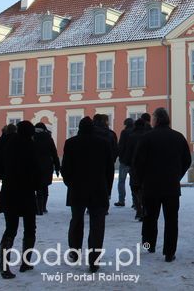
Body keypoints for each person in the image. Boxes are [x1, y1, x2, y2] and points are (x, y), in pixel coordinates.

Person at [132, 107, 191, 262]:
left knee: (149, 217)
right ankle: (169, 252)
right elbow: (187, 160)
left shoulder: (147, 137)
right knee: (172, 220)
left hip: (151, 186)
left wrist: (140, 181)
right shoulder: (178, 137)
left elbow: (138, 163)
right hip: (171, 186)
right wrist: (177, 175)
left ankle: (148, 245)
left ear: (156, 120)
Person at [61, 116, 114, 273]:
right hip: (98, 189)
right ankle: (94, 260)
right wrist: (107, 189)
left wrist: (70, 184)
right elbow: (109, 170)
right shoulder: (103, 143)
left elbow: (66, 169)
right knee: (97, 225)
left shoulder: (70, 143)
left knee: (76, 221)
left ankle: (75, 252)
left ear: (79, 128)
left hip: (77, 189)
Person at [0, 120, 40, 279]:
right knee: (30, 228)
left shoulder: (8, 145)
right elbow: (37, 171)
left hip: (9, 191)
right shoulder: (31, 147)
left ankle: (3, 264)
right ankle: (25, 262)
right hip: (26, 192)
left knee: (10, 229)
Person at [124, 115, 151, 220]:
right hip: (147, 167)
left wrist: (127, 162)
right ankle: (145, 208)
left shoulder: (132, 136)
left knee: (135, 188)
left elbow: (128, 152)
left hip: (134, 166)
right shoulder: (148, 135)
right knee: (145, 188)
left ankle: (139, 210)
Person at [34, 122, 61, 215]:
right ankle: (43, 207)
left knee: (36, 186)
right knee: (44, 186)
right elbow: (54, 153)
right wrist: (57, 167)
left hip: (34, 165)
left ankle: (37, 207)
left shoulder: (32, 137)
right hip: (46, 165)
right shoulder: (48, 138)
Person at [92, 114, 118, 208]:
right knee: (106, 184)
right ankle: (105, 205)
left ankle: (91, 205)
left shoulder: (91, 133)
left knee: (93, 184)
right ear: (106, 121)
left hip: (92, 163)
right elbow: (115, 149)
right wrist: (112, 160)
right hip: (107, 163)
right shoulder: (111, 134)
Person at [115, 117, 134, 207]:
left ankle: (121, 200)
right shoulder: (135, 132)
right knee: (134, 182)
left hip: (124, 161)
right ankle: (135, 202)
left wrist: (120, 156)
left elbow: (121, 146)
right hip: (133, 161)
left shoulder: (124, 132)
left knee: (121, 181)